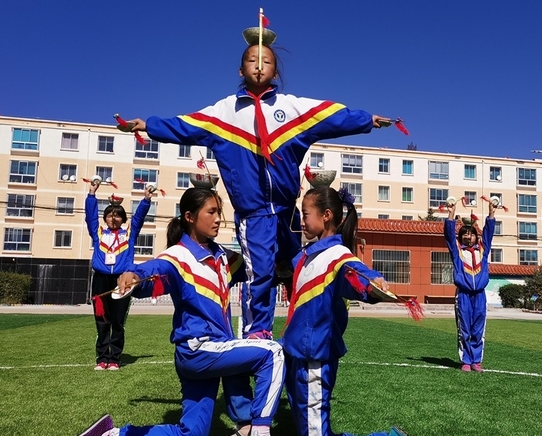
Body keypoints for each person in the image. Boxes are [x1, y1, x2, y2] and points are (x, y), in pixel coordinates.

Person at [124, 32, 392, 341]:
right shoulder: (222, 114)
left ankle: (313, 325)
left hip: (287, 212)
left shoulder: (292, 109)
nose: (259, 66)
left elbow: (329, 115)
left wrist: (365, 120)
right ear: (240, 70)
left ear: (275, 72)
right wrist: (149, 125)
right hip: (254, 215)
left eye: (266, 62)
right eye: (252, 60)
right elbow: (185, 124)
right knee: (260, 275)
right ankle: (257, 335)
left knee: (305, 265)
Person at [62, 187, 300, 436]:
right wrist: (132, 274)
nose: (217, 219)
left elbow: (258, 268)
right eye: (211, 212)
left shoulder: (222, 256)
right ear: (189, 216)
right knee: (273, 352)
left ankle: (108, 435)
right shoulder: (177, 257)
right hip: (198, 351)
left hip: (204, 355)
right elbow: (151, 272)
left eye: (219, 212)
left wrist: (288, 257)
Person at [279, 185, 432, 436]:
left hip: (316, 356)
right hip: (294, 351)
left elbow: (360, 277)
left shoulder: (339, 258)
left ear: (326, 216)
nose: (301, 221)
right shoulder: (305, 254)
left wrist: (374, 284)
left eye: (305, 214)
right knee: (302, 431)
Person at [85, 180, 153, 371]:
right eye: (109, 215)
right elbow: (90, 217)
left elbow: (138, 218)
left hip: (122, 280)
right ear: (105, 218)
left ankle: (114, 357)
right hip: (100, 279)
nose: (113, 219)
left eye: (117, 216)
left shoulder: (129, 234)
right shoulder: (97, 233)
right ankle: (101, 358)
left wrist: (146, 200)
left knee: (117, 320)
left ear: (123, 219)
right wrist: (91, 195)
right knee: (101, 319)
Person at [444, 200, 496, 372]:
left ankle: (476, 360)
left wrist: (491, 214)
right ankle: (466, 360)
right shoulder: (457, 252)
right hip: (463, 295)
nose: (468, 236)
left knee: (478, 329)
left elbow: (489, 234)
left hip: (480, 295)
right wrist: (451, 214)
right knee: (464, 329)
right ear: (460, 237)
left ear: (476, 236)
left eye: (471, 234)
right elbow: (449, 236)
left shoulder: (483, 250)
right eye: (464, 234)